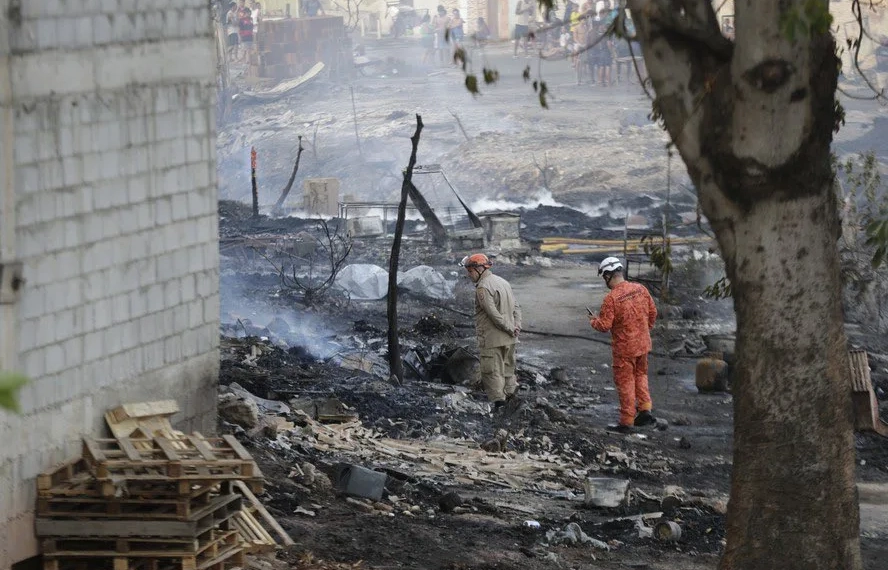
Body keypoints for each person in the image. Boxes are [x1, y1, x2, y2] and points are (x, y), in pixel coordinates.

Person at [589, 257, 658, 433]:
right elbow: (653, 313)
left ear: (607, 275)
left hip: (624, 349)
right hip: (643, 345)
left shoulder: (611, 299)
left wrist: (593, 320)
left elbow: (604, 326)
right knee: (641, 375)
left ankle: (627, 421)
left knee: (626, 382)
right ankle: (645, 410)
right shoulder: (640, 289)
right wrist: (643, 331)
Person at [460, 254, 522, 411]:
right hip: (510, 339)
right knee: (508, 371)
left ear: (480, 269)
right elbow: (516, 307)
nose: (469, 274)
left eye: (470, 271)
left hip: (492, 339)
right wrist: (516, 327)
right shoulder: (503, 282)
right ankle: (511, 403)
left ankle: (500, 407)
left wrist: (509, 328)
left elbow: (493, 314)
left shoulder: (483, 287)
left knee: (492, 372)